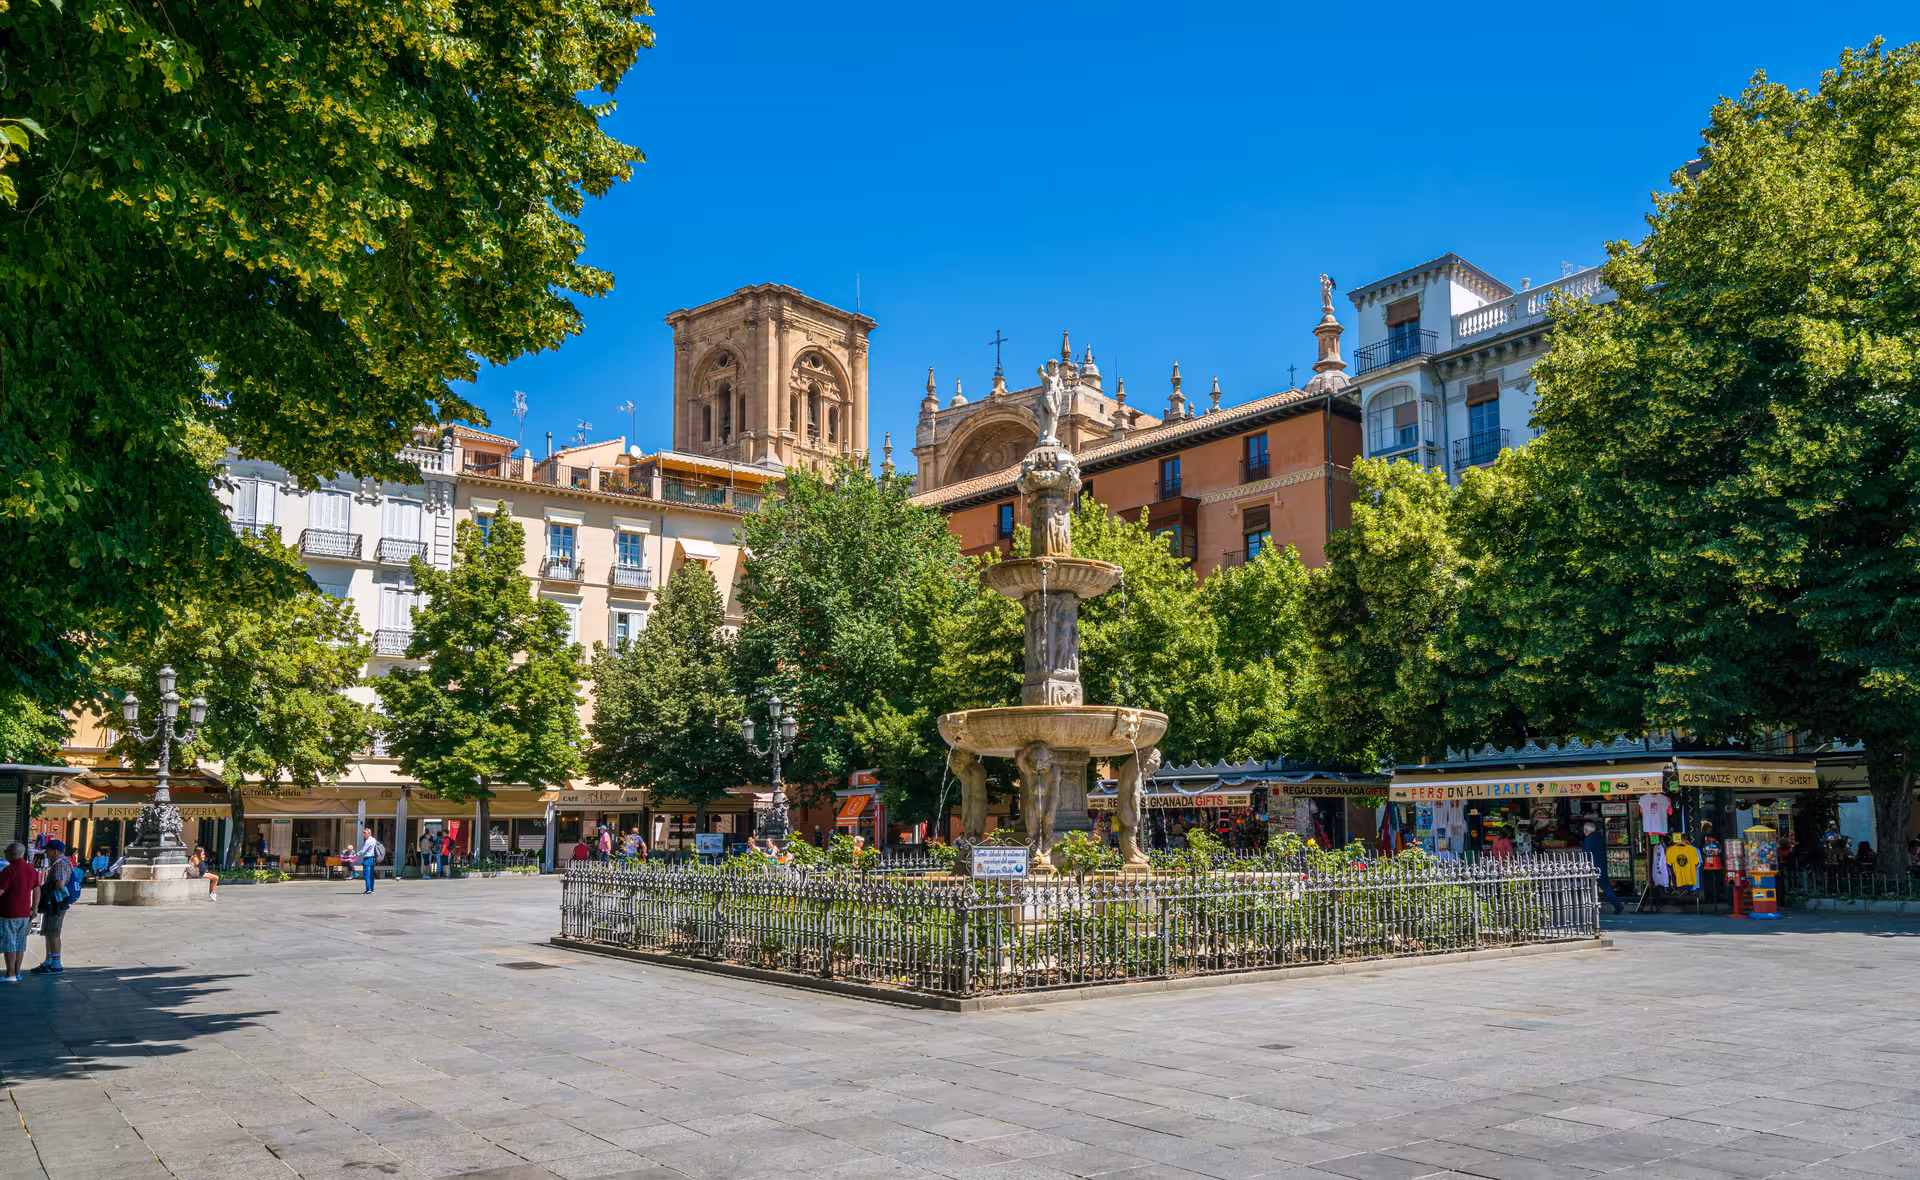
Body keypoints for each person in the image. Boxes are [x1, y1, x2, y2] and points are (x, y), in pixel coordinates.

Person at [33, 838, 75, 973]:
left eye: (48, 850)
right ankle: (49, 960)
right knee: (49, 932)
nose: (46, 853)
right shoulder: (60, 862)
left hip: (57, 902)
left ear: (55, 851)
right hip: (54, 902)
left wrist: (49, 887)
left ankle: (56, 964)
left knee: (54, 933)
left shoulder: (60, 863)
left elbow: (60, 883)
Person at [0, 842, 37, 982]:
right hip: (25, 913)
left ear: (10, 854)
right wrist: (34, 908)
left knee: (10, 944)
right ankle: (17, 972)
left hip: (9, 913)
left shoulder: (9, 870)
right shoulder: (31, 869)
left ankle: (10, 974)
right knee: (20, 944)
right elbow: (37, 888)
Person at [1582, 822, 1623, 915]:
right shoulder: (1599, 837)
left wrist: (1586, 865)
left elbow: (1587, 854)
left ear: (1586, 831)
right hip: (1601, 865)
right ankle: (1617, 904)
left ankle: (1592, 906)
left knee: (1590, 887)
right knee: (1605, 886)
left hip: (1592, 866)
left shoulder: (1588, 839)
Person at [355, 826, 380, 894]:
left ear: (369, 833)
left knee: (367, 874)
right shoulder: (374, 840)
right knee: (371, 875)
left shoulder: (368, 841)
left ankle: (368, 889)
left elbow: (363, 851)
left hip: (367, 858)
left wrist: (356, 854)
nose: (363, 834)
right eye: (363, 833)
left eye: (364, 833)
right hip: (372, 858)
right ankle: (372, 889)